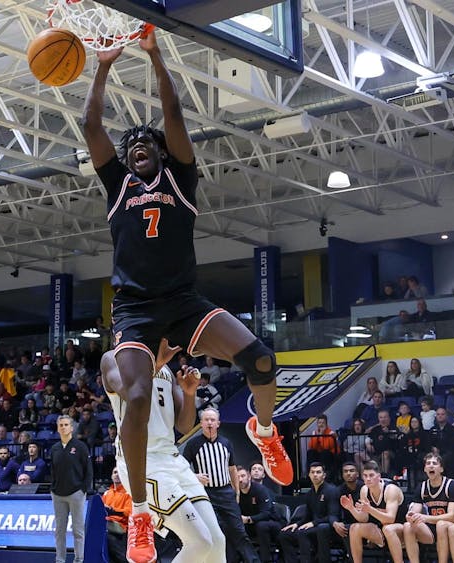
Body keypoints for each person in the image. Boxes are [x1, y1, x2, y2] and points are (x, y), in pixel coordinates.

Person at [83, 30, 291, 562]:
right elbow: (91, 128)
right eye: (134, 147)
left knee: (261, 358)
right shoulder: (118, 187)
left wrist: (154, 55)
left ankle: (264, 430)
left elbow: (173, 113)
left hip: (183, 301)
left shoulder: (180, 178)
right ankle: (139, 514)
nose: (140, 148)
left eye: (148, 144)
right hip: (134, 310)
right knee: (131, 396)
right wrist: (103, 67)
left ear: (163, 154)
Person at [104, 345, 225, 563]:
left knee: (217, 540)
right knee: (200, 542)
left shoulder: (167, 370)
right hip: (142, 461)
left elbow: (185, 425)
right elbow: (133, 395)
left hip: (172, 458)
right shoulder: (112, 358)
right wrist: (155, 365)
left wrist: (189, 394)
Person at [184, 407, 256, 562]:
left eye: (212, 420)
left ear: (218, 423)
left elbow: (232, 469)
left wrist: (236, 492)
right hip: (204, 495)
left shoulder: (226, 443)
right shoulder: (192, 444)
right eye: (206, 419)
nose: (209, 422)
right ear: (201, 423)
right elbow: (181, 469)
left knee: (239, 531)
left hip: (225, 492)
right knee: (213, 533)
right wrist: (195, 476)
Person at [386, 454, 454, 563]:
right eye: (428, 464)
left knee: (441, 524)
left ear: (441, 469)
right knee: (408, 525)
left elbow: (452, 517)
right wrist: (411, 516)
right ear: (425, 469)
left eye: (434, 463)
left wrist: (425, 517)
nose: (431, 466)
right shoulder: (422, 487)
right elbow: (415, 510)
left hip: (449, 527)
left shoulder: (452, 485)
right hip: (430, 529)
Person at [341, 461, 406, 563]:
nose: (368, 479)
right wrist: (351, 508)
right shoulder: (364, 490)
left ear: (379, 476)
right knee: (354, 527)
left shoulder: (391, 490)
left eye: (371, 475)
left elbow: (390, 518)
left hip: (401, 529)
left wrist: (370, 509)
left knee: (388, 528)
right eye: (365, 476)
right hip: (381, 529)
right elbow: (364, 518)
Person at [278, 462, 339, 563]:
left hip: (327, 528)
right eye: (313, 472)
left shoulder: (331, 490)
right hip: (313, 527)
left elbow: (333, 516)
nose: (315, 475)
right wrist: (296, 524)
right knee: (284, 535)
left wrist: (313, 523)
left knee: (303, 533)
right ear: (309, 475)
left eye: (318, 472)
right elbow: (307, 516)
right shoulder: (310, 493)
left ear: (324, 475)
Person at [50, 415, 91, 563]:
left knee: (78, 530)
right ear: (57, 428)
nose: (63, 427)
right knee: (59, 530)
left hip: (76, 493)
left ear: (72, 427)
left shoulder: (80, 447)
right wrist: (52, 488)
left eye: (66, 424)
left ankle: (79, 559)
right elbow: (52, 470)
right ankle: (60, 560)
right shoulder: (54, 448)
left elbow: (88, 470)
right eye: (61, 425)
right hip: (57, 494)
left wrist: (83, 489)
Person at [236, 466, 284, 561]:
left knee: (261, 525)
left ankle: (266, 560)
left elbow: (266, 513)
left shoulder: (260, 490)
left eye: (243, 476)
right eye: (237, 477)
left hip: (272, 522)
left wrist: (249, 519)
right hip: (251, 524)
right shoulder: (235, 492)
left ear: (249, 477)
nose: (240, 480)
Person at [103, 467, 132, 563]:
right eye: (115, 472)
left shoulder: (128, 494)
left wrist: (113, 510)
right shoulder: (107, 493)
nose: (117, 475)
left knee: (103, 531)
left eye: (120, 473)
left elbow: (128, 512)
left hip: (120, 525)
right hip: (107, 522)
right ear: (111, 476)